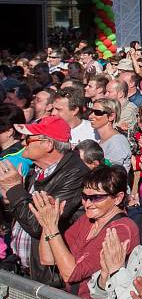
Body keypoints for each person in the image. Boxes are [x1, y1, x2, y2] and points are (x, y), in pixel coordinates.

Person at [0, 116, 89, 283]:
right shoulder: (38, 169)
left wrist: (14, 188)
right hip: (22, 268)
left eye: (28, 138)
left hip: (48, 277)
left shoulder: (75, 174)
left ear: (48, 144)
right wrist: (9, 198)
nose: (23, 143)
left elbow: (38, 225)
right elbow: (23, 214)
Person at [29, 165, 138, 299]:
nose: (87, 204)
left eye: (96, 197)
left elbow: (70, 274)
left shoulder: (122, 230)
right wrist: (48, 224)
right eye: (84, 196)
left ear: (118, 198)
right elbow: (48, 258)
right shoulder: (87, 219)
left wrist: (52, 227)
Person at [89, 97, 132, 171]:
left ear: (111, 116)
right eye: (91, 111)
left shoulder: (117, 141)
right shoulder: (102, 139)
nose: (90, 116)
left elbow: (112, 174)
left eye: (98, 112)